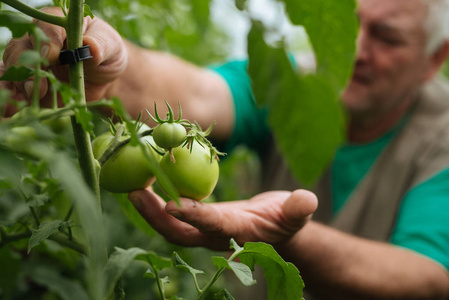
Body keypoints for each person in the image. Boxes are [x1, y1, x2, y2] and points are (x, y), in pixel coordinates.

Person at [2, 0, 449, 299]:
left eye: (387, 38)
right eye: (347, 27)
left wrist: (290, 240)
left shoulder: (442, 135)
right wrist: (109, 69)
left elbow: (430, 276)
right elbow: (198, 96)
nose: (355, 50)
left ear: (436, 58)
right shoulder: (291, 82)